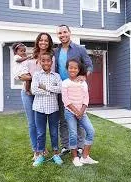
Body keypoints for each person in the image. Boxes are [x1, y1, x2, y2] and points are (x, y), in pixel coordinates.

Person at [55, 24, 93, 154]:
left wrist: (83, 76)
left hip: (76, 90)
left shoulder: (79, 49)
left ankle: (81, 145)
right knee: (63, 118)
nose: (62, 35)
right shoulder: (56, 51)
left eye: (65, 32)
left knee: (79, 117)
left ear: (70, 33)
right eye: (60, 33)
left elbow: (89, 65)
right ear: (58, 35)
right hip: (62, 89)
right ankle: (66, 145)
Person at [19, 32, 55, 161]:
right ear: (37, 41)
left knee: (40, 123)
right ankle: (37, 149)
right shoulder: (30, 57)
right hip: (28, 93)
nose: (43, 42)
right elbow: (20, 75)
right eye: (41, 40)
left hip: (41, 94)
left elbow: (51, 76)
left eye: (46, 40)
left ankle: (42, 147)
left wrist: (32, 78)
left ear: (49, 42)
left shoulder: (51, 57)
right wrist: (27, 78)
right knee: (32, 123)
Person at [62, 59, 98, 166]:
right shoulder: (65, 83)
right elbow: (66, 100)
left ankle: (85, 157)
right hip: (70, 112)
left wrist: (81, 112)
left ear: (78, 70)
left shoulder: (83, 83)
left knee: (91, 131)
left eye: (75, 68)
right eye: (70, 67)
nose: (73, 69)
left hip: (82, 112)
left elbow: (86, 99)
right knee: (73, 133)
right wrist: (76, 112)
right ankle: (75, 157)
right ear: (67, 69)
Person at [31, 52, 63, 166]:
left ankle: (56, 154)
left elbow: (60, 89)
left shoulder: (56, 76)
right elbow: (34, 90)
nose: (46, 63)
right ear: (40, 62)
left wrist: (44, 87)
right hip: (39, 108)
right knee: (40, 132)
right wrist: (51, 90)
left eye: (48, 60)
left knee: (54, 132)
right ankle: (40, 155)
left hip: (53, 108)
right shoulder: (36, 75)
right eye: (43, 60)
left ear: (51, 62)